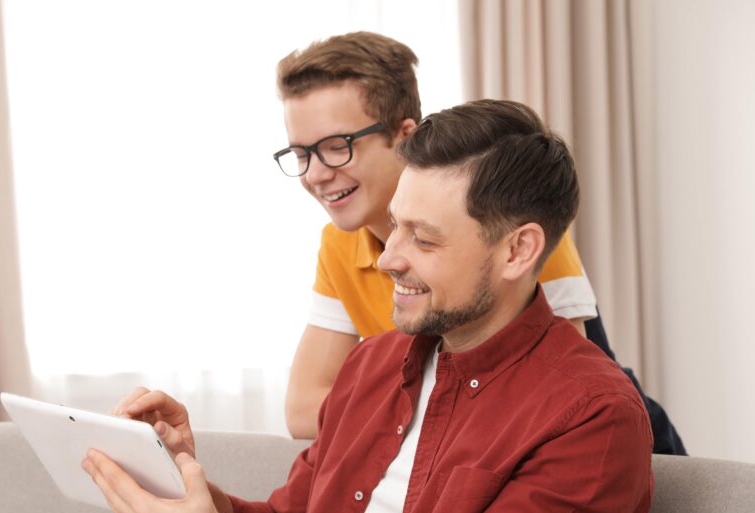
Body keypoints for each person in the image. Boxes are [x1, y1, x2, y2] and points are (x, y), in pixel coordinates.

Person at [83, 100, 654, 513]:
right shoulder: (374, 365)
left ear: (518, 251)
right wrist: (190, 490)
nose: (389, 258)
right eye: (395, 225)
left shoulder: (592, 418)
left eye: (425, 241)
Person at [277, 32, 685, 455]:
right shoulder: (340, 244)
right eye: (302, 154)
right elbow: (304, 410)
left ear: (404, 136)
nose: (315, 175)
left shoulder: (511, 220)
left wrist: (392, 406)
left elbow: (555, 400)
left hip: (613, 450)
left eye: (335, 148)